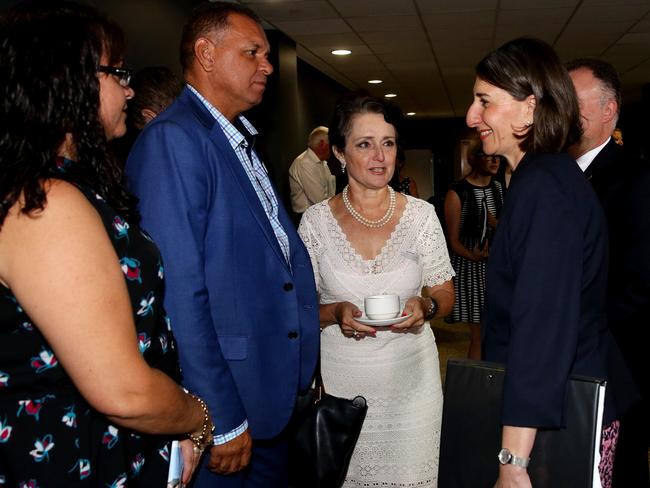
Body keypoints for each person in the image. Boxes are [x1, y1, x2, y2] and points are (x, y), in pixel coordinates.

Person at [0, 1, 211, 486]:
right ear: (65, 80)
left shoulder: (57, 187)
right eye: (117, 72)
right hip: (67, 457)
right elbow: (123, 392)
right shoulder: (45, 202)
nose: (129, 87)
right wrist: (198, 417)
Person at [125, 2, 319, 487]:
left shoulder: (237, 140)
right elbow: (179, 292)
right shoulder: (175, 140)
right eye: (253, 52)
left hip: (268, 400)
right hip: (226, 410)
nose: (268, 66)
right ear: (206, 54)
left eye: (268, 55)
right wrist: (219, 416)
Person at [466, 38, 620, 488]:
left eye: (484, 101)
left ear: (530, 109)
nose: (473, 117)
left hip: (556, 420)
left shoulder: (545, 187)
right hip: (552, 410)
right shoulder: (540, 178)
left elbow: (542, 329)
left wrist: (513, 461)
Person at [298, 93, 455, 487]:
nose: (380, 156)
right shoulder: (314, 225)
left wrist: (427, 305)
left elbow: (445, 293)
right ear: (339, 153)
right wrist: (334, 313)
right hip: (342, 395)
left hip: (414, 389)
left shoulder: (422, 215)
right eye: (364, 145)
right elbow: (298, 311)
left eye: (388, 143)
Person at [567, 58, 649, 488]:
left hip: (620, 363)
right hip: (572, 362)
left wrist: (581, 330)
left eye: (576, 102)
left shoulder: (637, 180)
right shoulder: (557, 176)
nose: (564, 111)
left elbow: (640, 283)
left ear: (609, 110)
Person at [444, 144, 503, 359]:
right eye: (490, 156)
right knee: (479, 336)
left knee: (497, 333)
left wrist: (497, 224)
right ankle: (475, 389)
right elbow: (453, 240)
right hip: (471, 269)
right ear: (476, 159)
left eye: (498, 156)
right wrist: (473, 255)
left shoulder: (498, 187)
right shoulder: (458, 192)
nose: (495, 161)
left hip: (497, 267)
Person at [288, 126, 335, 214]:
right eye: (331, 144)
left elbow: (331, 192)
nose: (333, 148)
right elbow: (319, 200)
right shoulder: (304, 163)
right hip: (308, 218)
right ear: (322, 144)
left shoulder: (322, 163)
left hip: (322, 214)